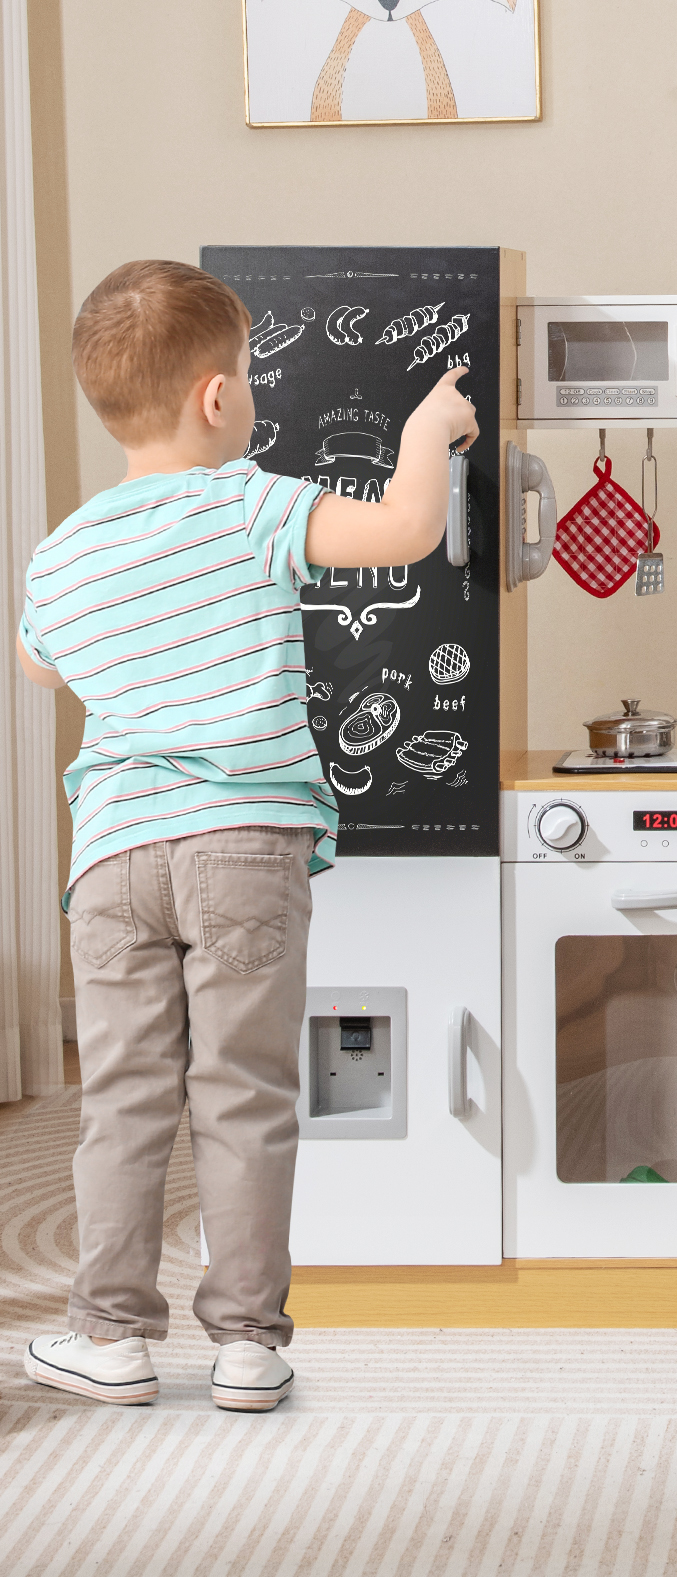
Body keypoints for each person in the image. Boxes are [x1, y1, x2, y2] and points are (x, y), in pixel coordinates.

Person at [15, 260, 476, 1411]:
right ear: (217, 400)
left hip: (115, 855)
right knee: (245, 1092)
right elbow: (409, 527)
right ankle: (245, 1346)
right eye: (254, 376)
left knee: (121, 1097)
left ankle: (110, 1335)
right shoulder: (254, 502)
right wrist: (428, 424)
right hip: (242, 847)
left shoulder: (61, 554)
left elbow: (37, 658)